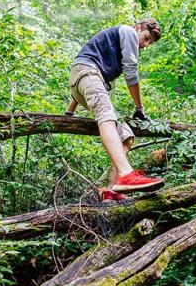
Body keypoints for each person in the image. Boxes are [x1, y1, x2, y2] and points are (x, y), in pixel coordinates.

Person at [66, 19, 164, 202]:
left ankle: (111, 191)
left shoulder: (117, 46)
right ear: (137, 28)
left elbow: (87, 88)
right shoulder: (127, 32)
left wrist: (69, 112)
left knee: (126, 135)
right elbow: (131, 73)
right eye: (146, 38)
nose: (145, 44)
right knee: (107, 116)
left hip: (82, 82)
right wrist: (139, 108)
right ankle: (127, 173)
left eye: (149, 42)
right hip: (86, 73)